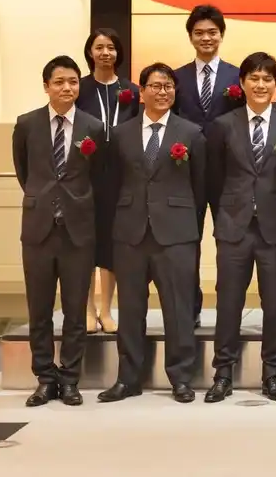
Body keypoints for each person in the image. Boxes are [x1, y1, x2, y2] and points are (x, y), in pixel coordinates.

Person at [98, 63, 207, 405]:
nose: (163, 92)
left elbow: (201, 186)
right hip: (130, 233)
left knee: (178, 309)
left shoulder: (191, 133)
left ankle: (181, 378)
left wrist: (188, 227)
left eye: (168, 86)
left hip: (176, 234)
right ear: (141, 92)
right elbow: (110, 185)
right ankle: (128, 379)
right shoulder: (120, 134)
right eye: (156, 86)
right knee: (131, 309)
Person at [203, 52, 276, 404]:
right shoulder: (223, 125)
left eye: (267, 79)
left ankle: (272, 373)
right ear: (242, 83)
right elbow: (213, 177)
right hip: (234, 227)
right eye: (254, 78)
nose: (261, 85)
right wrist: (228, 212)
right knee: (229, 302)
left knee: (274, 304)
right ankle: (222, 373)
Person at [12, 55, 105, 408]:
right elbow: (24, 172)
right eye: (60, 82)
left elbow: (99, 175)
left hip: (78, 231)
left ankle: (69, 379)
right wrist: (45, 200)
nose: (67, 88)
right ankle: (44, 378)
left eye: (73, 82)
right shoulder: (27, 124)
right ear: (46, 86)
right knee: (39, 309)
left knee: (75, 310)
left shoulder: (93, 127)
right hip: (38, 230)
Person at [171, 3, 241, 328]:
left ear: (221, 35)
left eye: (212, 32)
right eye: (199, 33)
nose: (206, 38)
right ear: (190, 37)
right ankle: (191, 308)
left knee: (229, 245)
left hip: (229, 173)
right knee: (188, 244)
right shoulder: (176, 77)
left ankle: (227, 308)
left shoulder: (237, 76)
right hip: (186, 173)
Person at [76, 28, 140, 335]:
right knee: (87, 242)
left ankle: (106, 309)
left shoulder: (132, 91)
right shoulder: (80, 88)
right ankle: (87, 308)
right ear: (90, 52)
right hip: (86, 173)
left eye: (111, 47)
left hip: (120, 175)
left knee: (113, 243)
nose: (105, 53)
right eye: (99, 47)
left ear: (118, 53)